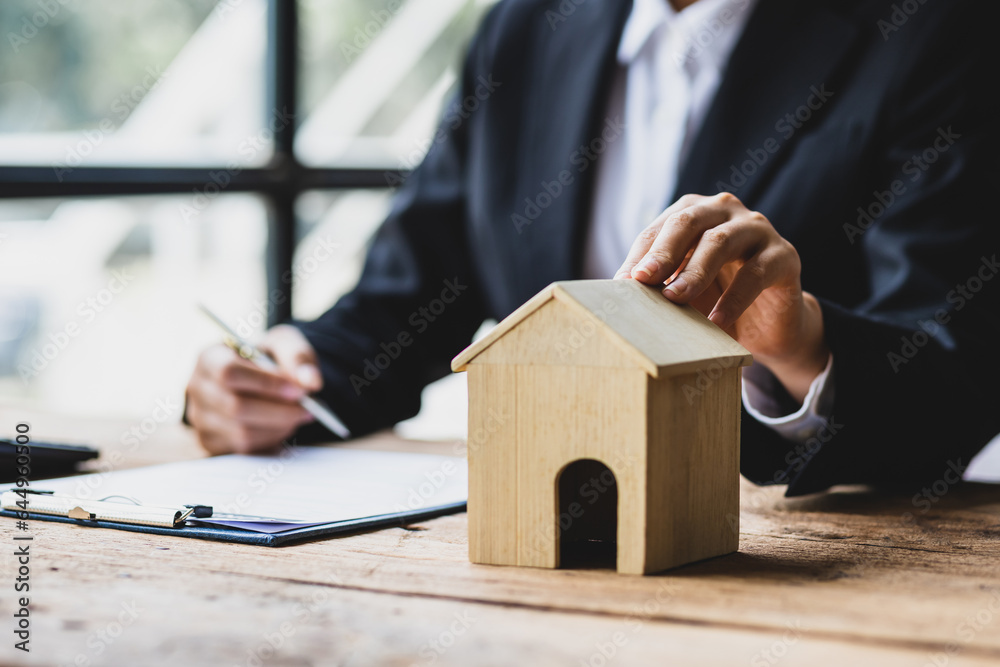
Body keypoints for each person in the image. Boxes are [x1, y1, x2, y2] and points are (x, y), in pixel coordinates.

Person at [184, 0, 1000, 496]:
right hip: (531, 538)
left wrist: (799, 343)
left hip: (803, 569)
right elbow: (413, 294)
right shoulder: (523, 28)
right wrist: (278, 370)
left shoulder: (936, 30)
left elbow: (955, 370)